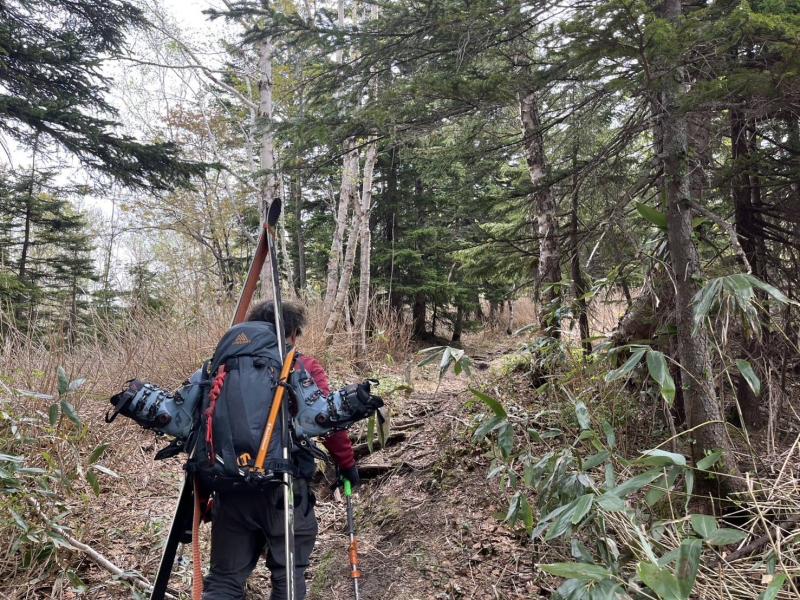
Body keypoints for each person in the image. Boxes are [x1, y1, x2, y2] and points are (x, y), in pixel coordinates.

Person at [203, 300, 359, 600]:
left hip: (230, 489)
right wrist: (347, 464)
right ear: (293, 333)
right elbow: (327, 420)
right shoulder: (301, 366)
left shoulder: (221, 367)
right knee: (288, 577)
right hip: (284, 490)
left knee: (224, 581)